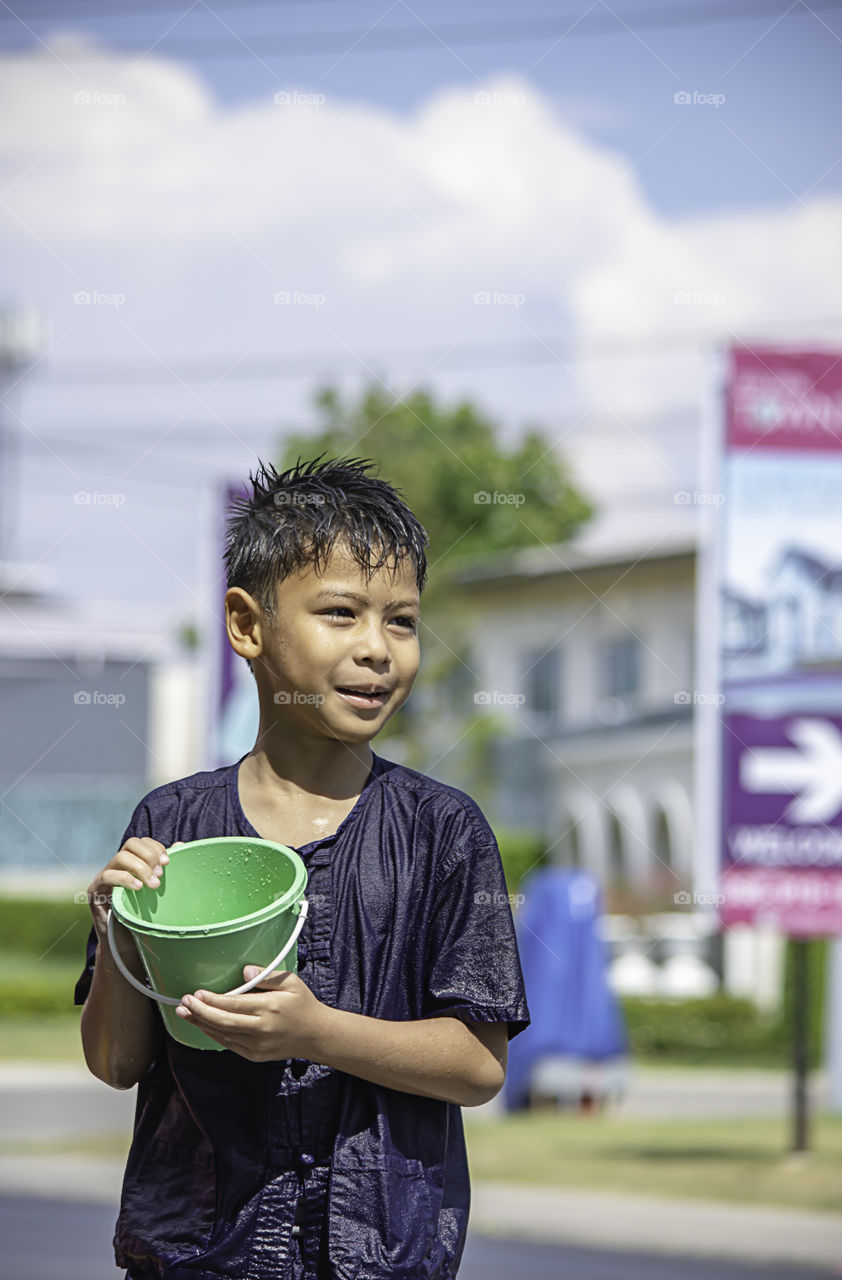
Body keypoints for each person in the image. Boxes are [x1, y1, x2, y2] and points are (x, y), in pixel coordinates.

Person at [75, 453, 531, 1280]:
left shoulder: (443, 831)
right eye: (341, 613)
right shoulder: (172, 826)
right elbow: (115, 1064)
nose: (378, 650)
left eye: (402, 621)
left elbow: (478, 1063)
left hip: (383, 1256)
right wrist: (118, 937)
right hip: (196, 1253)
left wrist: (316, 1032)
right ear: (247, 625)